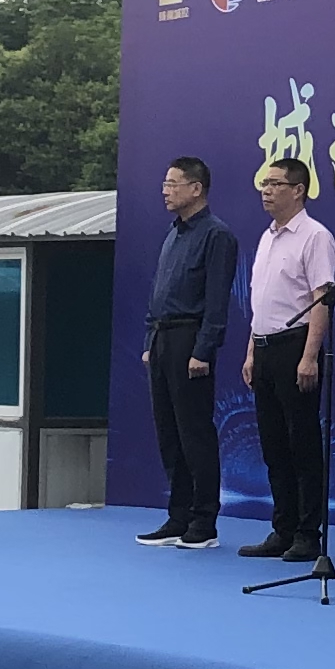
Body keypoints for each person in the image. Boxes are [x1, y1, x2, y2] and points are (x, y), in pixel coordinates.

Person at [134, 156, 240, 552]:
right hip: (163, 338)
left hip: (190, 339)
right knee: (169, 433)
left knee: (195, 432)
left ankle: (203, 520)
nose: (165, 191)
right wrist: (150, 341)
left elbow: (216, 301)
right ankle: (177, 516)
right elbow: (159, 291)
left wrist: (203, 349)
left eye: (173, 184)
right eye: (164, 184)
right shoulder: (173, 233)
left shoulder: (217, 235)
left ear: (196, 188)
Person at [238, 159, 335, 565]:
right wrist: (250, 351)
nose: (266, 190)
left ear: (298, 190)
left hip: (296, 346)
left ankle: (308, 534)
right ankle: (283, 528)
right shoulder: (267, 237)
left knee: (302, 444)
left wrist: (310, 356)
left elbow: (321, 299)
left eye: (276, 183)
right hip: (264, 346)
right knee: (273, 445)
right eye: (264, 182)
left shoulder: (315, 236)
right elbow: (262, 301)